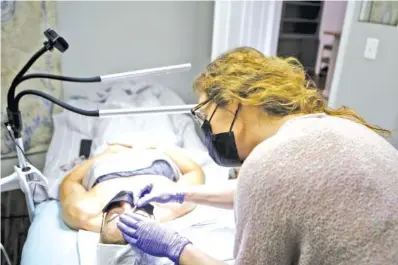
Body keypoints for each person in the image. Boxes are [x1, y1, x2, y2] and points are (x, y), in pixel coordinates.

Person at [117, 47, 398, 265]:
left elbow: (269, 184)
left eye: (205, 116)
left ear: (233, 103)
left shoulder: (271, 163)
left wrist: (176, 248)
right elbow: (282, 196)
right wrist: (184, 193)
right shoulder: (335, 127)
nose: (206, 129)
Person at [59, 143, 204, 244]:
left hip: (106, 167)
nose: (127, 203)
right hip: (153, 160)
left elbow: (70, 181)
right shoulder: (174, 204)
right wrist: (159, 146)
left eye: (116, 214)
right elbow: (194, 171)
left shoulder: (82, 214)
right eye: (137, 212)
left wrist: (107, 153)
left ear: (102, 222)